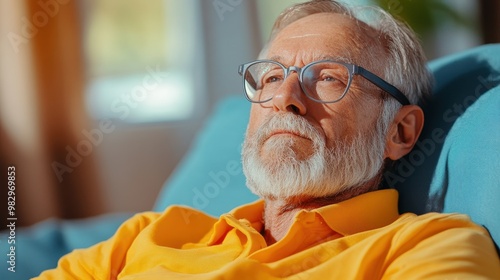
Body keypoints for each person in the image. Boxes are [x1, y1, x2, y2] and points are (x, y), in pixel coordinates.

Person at [36, 0, 500, 279]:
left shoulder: (427, 246)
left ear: (400, 131)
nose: (285, 98)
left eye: (327, 78)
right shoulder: (153, 232)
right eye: (272, 76)